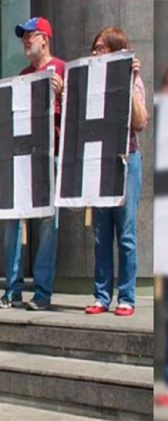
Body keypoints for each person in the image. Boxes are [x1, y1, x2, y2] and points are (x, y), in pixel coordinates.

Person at [0, 16, 65, 311]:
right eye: (23, 36)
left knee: (49, 224)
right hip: (23, 157)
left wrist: (63, 93)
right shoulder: (23, 75)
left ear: (45, 39)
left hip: (50, 156)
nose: (26, 41)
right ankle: (12, 289)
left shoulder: (62, 69)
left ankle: (42, 291)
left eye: (31, 35)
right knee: (13, 221)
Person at [84, 27, 147, 317]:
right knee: (101, 235)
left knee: (126, 233)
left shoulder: (134, 81)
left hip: (126, 159)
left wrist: (130, 81)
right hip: (99, 160)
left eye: (102, 48)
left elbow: (140, 122)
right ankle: (101, 295)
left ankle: (127, 297)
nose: (96, 53)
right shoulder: (91, 84)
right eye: (95, 48)